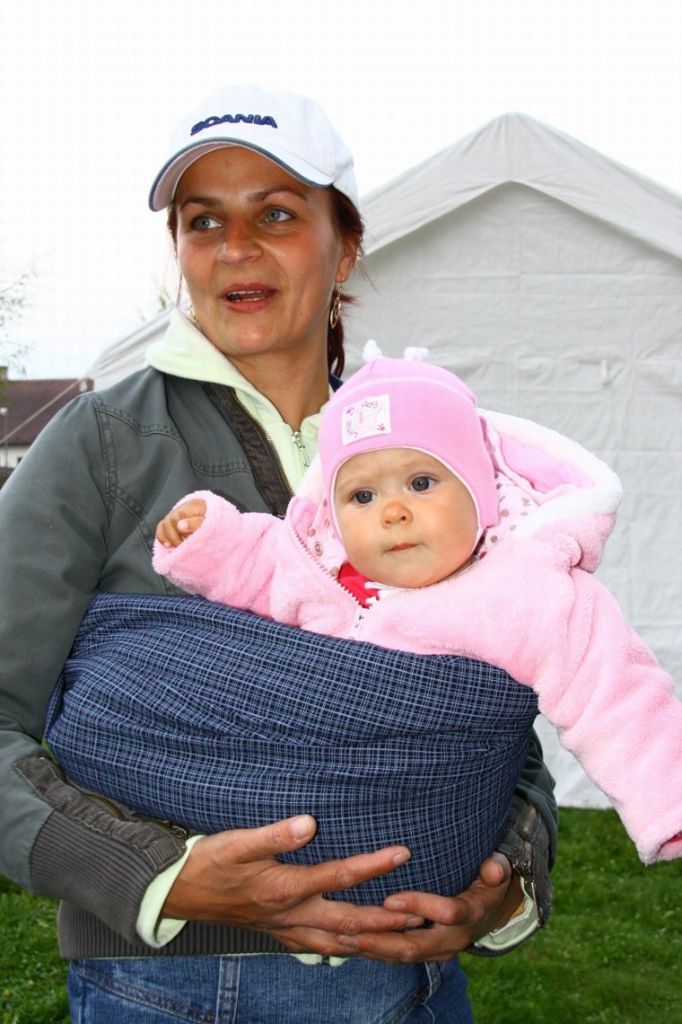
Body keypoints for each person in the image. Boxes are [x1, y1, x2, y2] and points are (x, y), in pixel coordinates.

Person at [0, 85, 556, 1023]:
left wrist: (505, 883)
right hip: (178, 991)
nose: (235, 247)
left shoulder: (429, 447)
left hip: (419, 985)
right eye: (203, 220)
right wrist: (163, 876)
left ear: (346, 246)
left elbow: (494, 702)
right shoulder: (103, 445)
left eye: (278, 215)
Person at [150, 345, 682, 869]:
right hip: (297, 791)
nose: (393, 512)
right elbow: (255, 562)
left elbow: (614, 692)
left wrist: (667, 803)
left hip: (420, 812)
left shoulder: (526, 590)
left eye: (421, 483)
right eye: (362, 496)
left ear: (480, 491)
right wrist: (204, 537)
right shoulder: (316, 567)